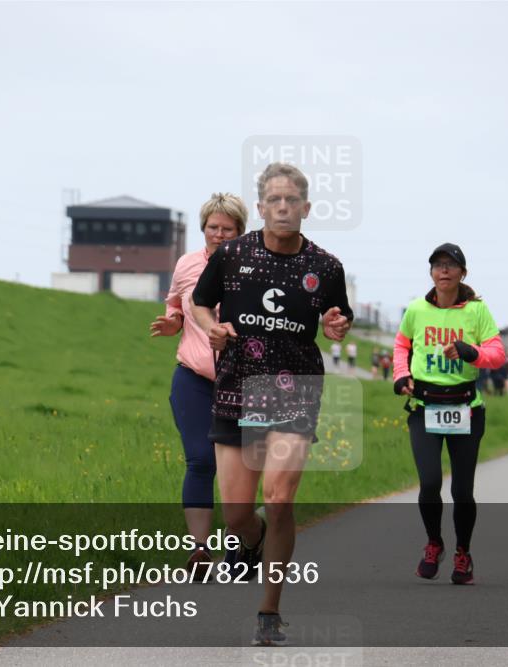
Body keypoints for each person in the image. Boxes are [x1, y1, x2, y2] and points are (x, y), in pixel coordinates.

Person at [191, 162, 352, 646]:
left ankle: (269, 610)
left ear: (306, 208)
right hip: (237, 386)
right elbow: (200, 302)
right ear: (261, 208)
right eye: (274, 200)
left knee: (279, 499)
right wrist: (213, 327)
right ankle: (254, 539)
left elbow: (338, 318)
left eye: (292, 200)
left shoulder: (326, 267)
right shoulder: (232, 254)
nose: (283, 208)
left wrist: (336, 326)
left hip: (295, 388)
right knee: (236, 513)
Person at [393, 243, 505, 585]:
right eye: (438, 265)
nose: (444, 270)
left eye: (451, 265)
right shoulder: (416, 309)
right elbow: (401, 345)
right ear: (431, 273)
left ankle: (463, 552)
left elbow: (497, 355)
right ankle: (434, 543)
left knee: (462, 491)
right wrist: (401, 375)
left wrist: (471, 351)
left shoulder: (476, 311)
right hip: (424, 407)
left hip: (465, 410)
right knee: (429, 483)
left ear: (462, 273)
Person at [151, 193, 246, 576]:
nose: (219, 235)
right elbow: (176, 304)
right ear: (203, 228)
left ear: (241, 231)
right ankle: (200, 551)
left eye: (227, 229)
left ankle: (240, 545)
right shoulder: (187, 264)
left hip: (240, 382)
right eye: (213, 228)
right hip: (192, 377)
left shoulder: (252, 268)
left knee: (236, 470)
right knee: (200, 460)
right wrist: (172, 321)